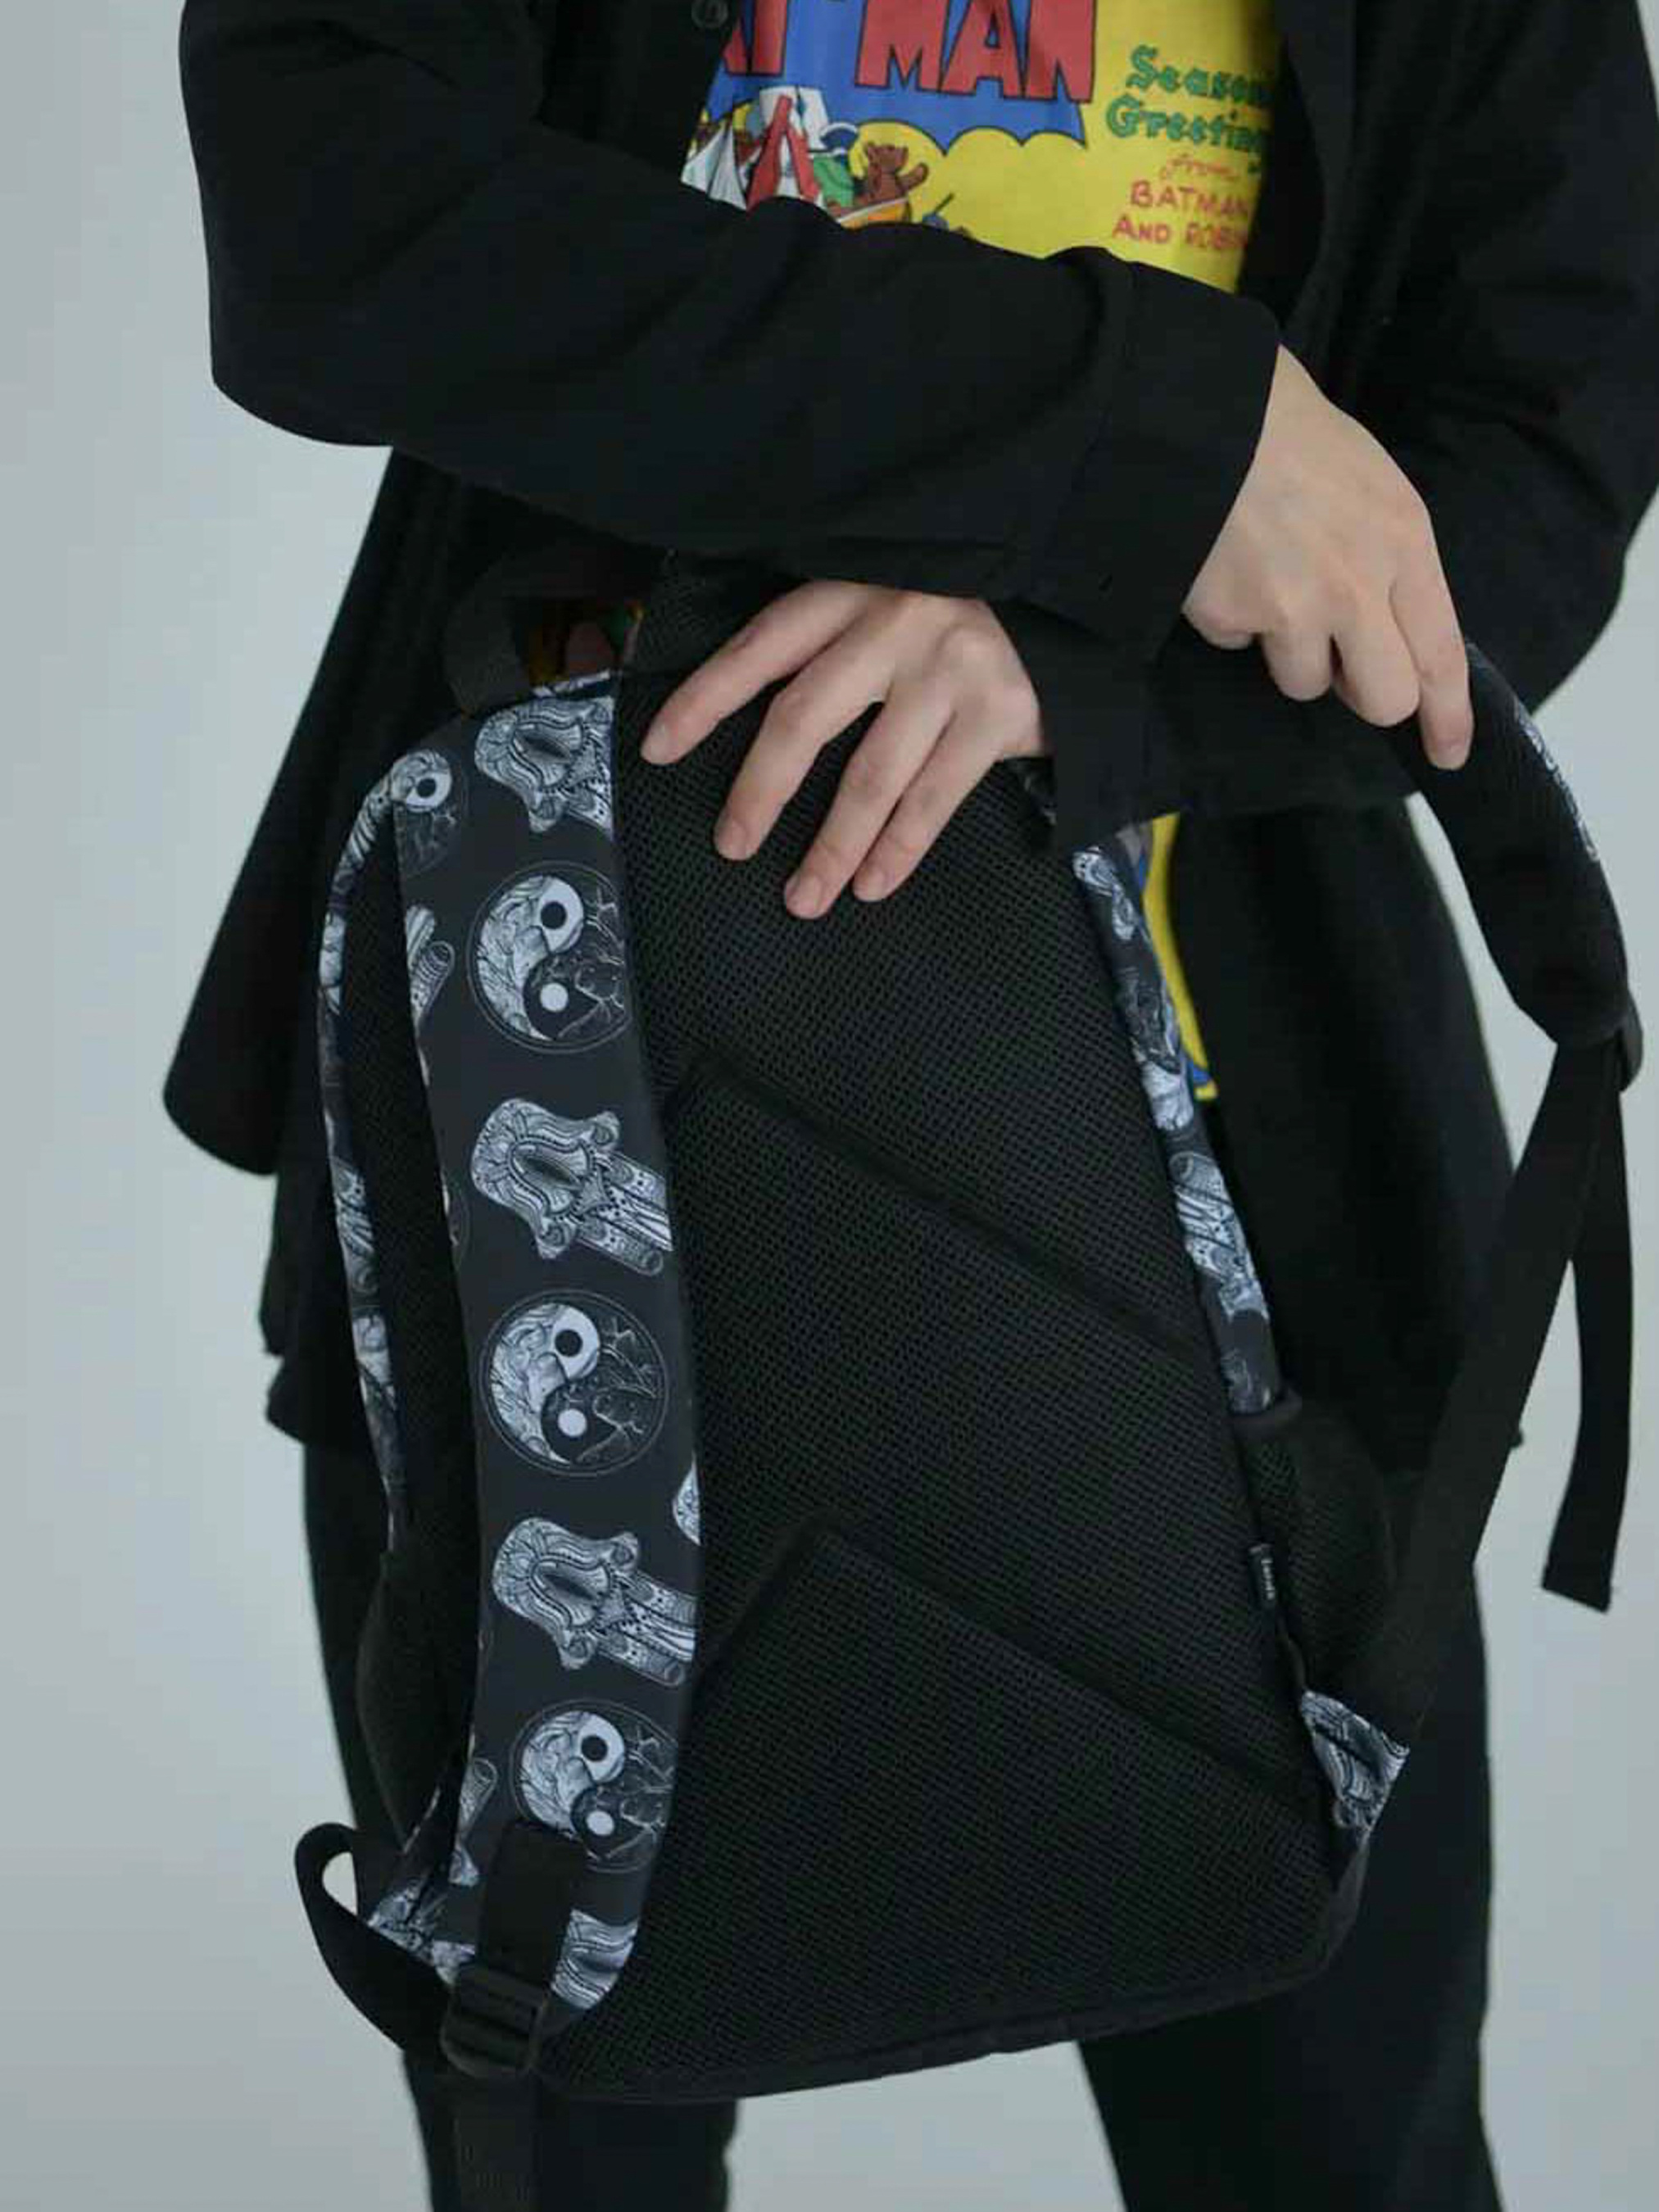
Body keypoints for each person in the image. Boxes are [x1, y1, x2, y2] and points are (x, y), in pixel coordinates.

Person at [167, 2, 1659, 2206]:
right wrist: (1149, 427)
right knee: (565, 2136)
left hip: (1251, 1203)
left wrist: (1074, 675)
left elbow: (1530, 471)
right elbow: (326, 211)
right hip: (552, 1164)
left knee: (1335, 2147)